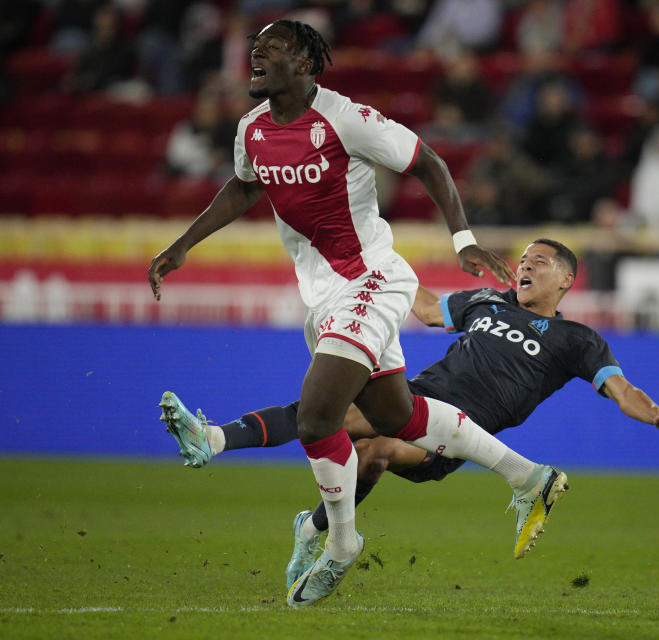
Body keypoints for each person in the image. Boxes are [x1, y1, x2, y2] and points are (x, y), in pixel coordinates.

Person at [149, 19, 561, 608]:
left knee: (320, 419)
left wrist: (462, 238)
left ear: (307, 65)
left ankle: (340, 542)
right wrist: (185, 244)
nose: (256, 57)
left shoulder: (347, 119)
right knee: (397, 414)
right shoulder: (251, 130)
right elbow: (245, 187)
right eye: (255, 50)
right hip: (322, 298)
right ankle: (529, 477)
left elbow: (429, 162)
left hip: (374, 280)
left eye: (272, 50)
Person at [161, 239, 659, 593]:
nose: (525, 266)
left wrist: (658, 418)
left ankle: (303, 517)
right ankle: (307, 520)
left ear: (566, 280)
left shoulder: (579, 340)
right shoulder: (486, 302)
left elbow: (621, 389)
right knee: (329, 420)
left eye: (539, 261)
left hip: (454, 433)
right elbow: (423, 307)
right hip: (413, 398)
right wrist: (383, 262)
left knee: (365, 443)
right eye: (523, 260)